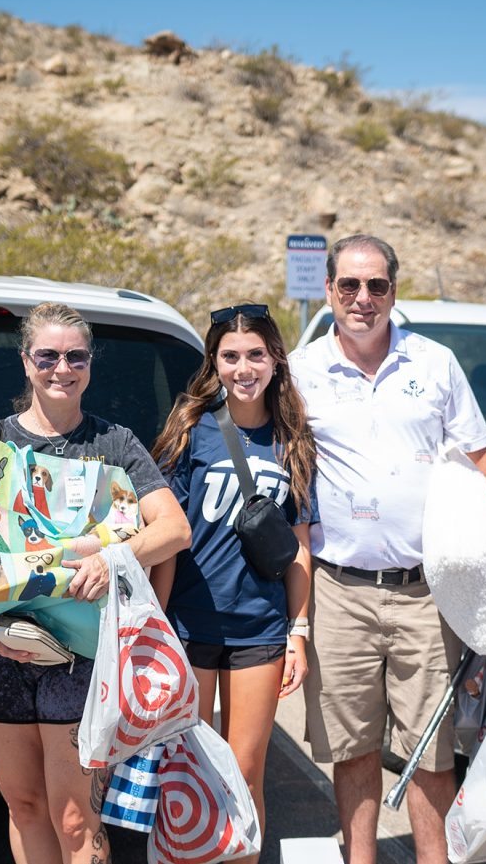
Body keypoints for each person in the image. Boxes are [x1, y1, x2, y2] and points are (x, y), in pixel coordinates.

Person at [0, 302, 191, 864]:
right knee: (25, 807)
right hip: (0, 652)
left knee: (76, 818)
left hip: (84, 659)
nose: (61, 368)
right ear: (25, 361)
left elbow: (174, 530)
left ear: (89, 364)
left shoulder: (115, 444)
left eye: (75, 356)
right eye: (47, 355)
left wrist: (114, 558)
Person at [289, 235, 486, 864]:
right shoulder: (300, 371)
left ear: (393, 292)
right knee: (352, 749)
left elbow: (480, 469)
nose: (362, 298)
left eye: (376, 285)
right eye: (349, 285)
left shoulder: (435, 364)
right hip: (337, 588)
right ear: (328, 291)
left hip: (426, 592)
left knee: (431, 752)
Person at [151, 303, 316, 862]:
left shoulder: (291, 438)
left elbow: (298, 548)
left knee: (246, 771)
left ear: (274, 361)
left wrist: (299, 631)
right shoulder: (191, 428)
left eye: (255, 355)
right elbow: (169, 537)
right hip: (191, 624)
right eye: (230, 357)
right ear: (214, 363)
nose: (243, 368)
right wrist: (157, 626)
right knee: (189, 770)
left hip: (260, 630)